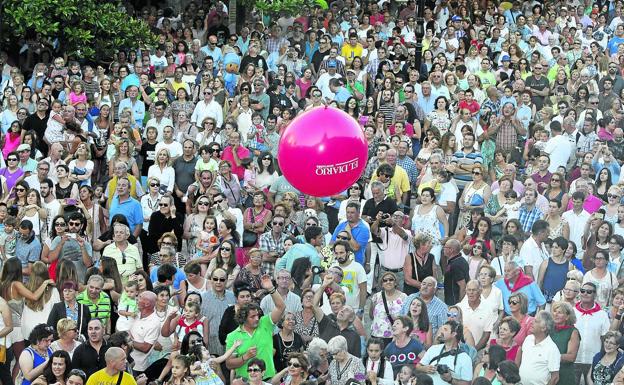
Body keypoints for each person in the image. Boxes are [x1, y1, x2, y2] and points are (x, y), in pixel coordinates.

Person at [225, 274, 285, 379]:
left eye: (257, 315)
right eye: (252, 317)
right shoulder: (232, 336)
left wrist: (271, 288)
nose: (257, 318)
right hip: (245, 381)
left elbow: (281, 307)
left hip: (268, 380)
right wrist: (245, 357)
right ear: (243, 319)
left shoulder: (265, 323)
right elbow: (229, 364)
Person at [574, 282, 611, 385]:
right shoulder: (572, 312)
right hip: (574, 359)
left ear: (595, 294)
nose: (585, 293)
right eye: (583, 291)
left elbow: (606, 337)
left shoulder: (602, 315)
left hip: (593, 360)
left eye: (589, 292)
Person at [417, 320, 473, 385]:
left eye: (445, 329)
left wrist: (450, 380)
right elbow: (418, 366)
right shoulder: (433, 349)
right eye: (442, 329)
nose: (441, 332)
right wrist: (425, 368)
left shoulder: (465, 358)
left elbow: (467, 383)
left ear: (453, 334)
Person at [517, 311, 561, 385]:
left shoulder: (552, 349)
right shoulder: (528, 339)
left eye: (536, 321)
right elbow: (519, 357)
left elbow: (555, 378)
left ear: (544, 328)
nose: (531, 323)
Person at [550, 301, 580, 385]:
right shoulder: (549, 329)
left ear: (567, 317)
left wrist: (549, 357)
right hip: (547, 373)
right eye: (555, 311)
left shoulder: (573, 332)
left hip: (564, 374)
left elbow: (571, 357)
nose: (555, 314)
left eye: (560, 312)